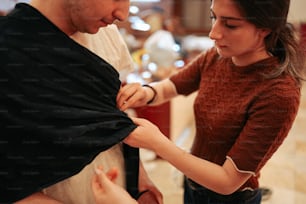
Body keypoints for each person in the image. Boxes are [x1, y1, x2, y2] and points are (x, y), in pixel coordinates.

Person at [117, 0, 306, 203]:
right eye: (213, 17)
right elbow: (172, 86)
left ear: (265, 28)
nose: (213, 33)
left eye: (230, 24)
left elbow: (227, 181)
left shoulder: (278, 93)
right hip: (193, 185)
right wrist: (146, 93)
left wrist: (158, 143)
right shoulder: (216, 57)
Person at [0, 0, 162, 203]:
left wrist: (141, 183)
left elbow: (113, 118)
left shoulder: (107, 33)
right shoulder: (8, 47)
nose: (123, 14)